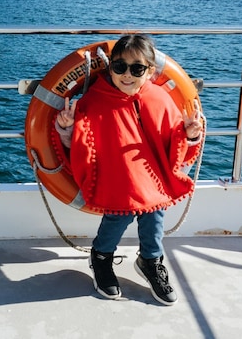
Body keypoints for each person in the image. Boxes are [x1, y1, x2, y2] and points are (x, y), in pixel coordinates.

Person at [55, 34, 202, 305]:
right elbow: (80, 143)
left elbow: (173, 140)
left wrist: (190, 134)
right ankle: (101, 258)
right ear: (110, 67)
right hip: (115, 176)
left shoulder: (159, 98)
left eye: (137, 69)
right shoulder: (94, 101)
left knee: (155, 212)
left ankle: (150, 260)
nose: (127, 75)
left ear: (149, 71)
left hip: (151, 176)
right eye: (119, 67)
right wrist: (67, 127)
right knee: (119, 216)